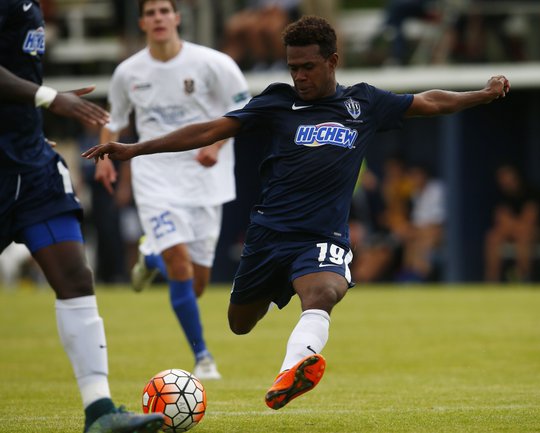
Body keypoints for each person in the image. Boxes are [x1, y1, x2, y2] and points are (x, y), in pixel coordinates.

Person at [83, 15, 510, 410]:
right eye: (293, 68)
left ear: (332, 61)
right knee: (239, 323)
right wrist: (136, 148)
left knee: (324, 292)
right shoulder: (277, 103)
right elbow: (211, 128)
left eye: (308, 67)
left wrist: (483, 94)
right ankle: (276, 294)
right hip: (268, 234)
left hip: (322, 235)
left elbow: (431, 101)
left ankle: (292, 370)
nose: (300, 76)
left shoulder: (364, 103)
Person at [0, 2, 164, 432]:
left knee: (75, 276)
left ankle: (99, 410)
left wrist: (29, 123)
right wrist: (51, 98)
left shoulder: (33, 7)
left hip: (32, 167)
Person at [94, 0, 251, 381]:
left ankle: (150, 258)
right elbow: (114, 119)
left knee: (196, 283)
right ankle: (203, 358)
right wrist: (104, 157)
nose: (158, 18)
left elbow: (244, 109)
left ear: (177, 17)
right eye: (151, 13)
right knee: (179, 266)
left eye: (164, 10)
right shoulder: (128, 72)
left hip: (205, 180)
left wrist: (216, 146)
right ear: (142, 22)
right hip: (155, 179)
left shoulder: (213, 63)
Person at [484, 162, 540, 282]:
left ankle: (523, 278)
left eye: (508, 176)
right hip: (515, 232)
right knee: (493, 237)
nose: (505, 181)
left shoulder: (533, 193)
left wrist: (510, 224)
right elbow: (501, 221)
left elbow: (528, 222)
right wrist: (510, 225)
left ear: (516, 176)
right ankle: (491, 281)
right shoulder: (501, 197)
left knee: (524, 234)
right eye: (501, 178)